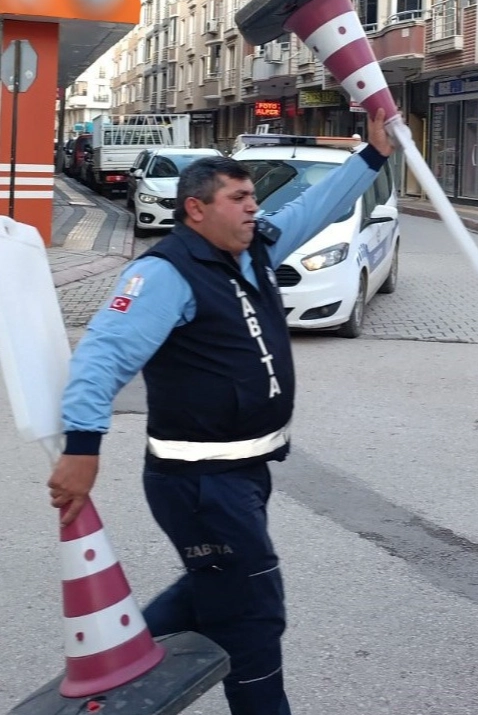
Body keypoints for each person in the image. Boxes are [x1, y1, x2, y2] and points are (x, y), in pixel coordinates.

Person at [48, 108, 396, 715]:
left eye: (252, 197)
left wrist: (373, 154)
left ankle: (113, 658)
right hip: (198, 484)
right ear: (196, 210)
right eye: (237, 199)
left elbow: (316, 205)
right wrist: (82, 448)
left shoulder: (256, 248)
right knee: (253, 615)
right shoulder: (165, 273)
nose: (252, 207)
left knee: (218, 588)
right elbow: (102, 356)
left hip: (244, 473)